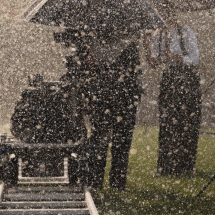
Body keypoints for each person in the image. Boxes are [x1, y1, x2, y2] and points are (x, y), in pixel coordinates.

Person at [82, 34, 142, 190]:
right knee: (118, 141)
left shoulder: (94, 41)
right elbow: (135, 72)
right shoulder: (129, 42)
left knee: (103, 140)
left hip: (106, 96)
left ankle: (97, 181)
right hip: (120, 97)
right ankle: (115, 182)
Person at [145, 18, 201, 176]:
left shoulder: (186, 32)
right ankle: (165, 166)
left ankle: (186, 166)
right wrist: (147, 47)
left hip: (188, 78)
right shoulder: (158, 35)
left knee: (188, 123)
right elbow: (154, 63)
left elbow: (195, 59)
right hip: (169, 79)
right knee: (167, 122)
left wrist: (179, 58)